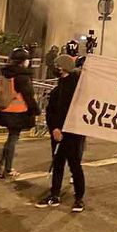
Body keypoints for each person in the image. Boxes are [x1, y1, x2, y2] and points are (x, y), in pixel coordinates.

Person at [36, 55, 86, 212]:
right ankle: (54, 195)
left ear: (63, 67)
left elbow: (71, 111)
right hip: (58, 134)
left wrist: (62, 128)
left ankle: (79, 199)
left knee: (74, 165)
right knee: (57, 164)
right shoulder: (59, 88)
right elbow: (51, 111)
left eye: (57, 66)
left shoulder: (76, 89)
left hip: (72, 133)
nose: (55, 69)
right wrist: (54, 129)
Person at [0, 47, 40, 179]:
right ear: (22, 61)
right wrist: (36, 110)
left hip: (5, 109)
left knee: (10, 138)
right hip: (18, 112)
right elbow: (28, 96)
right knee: (13, 139)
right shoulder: (22, 77)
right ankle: (7, 169)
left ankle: (0, 164)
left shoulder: (6, 73)